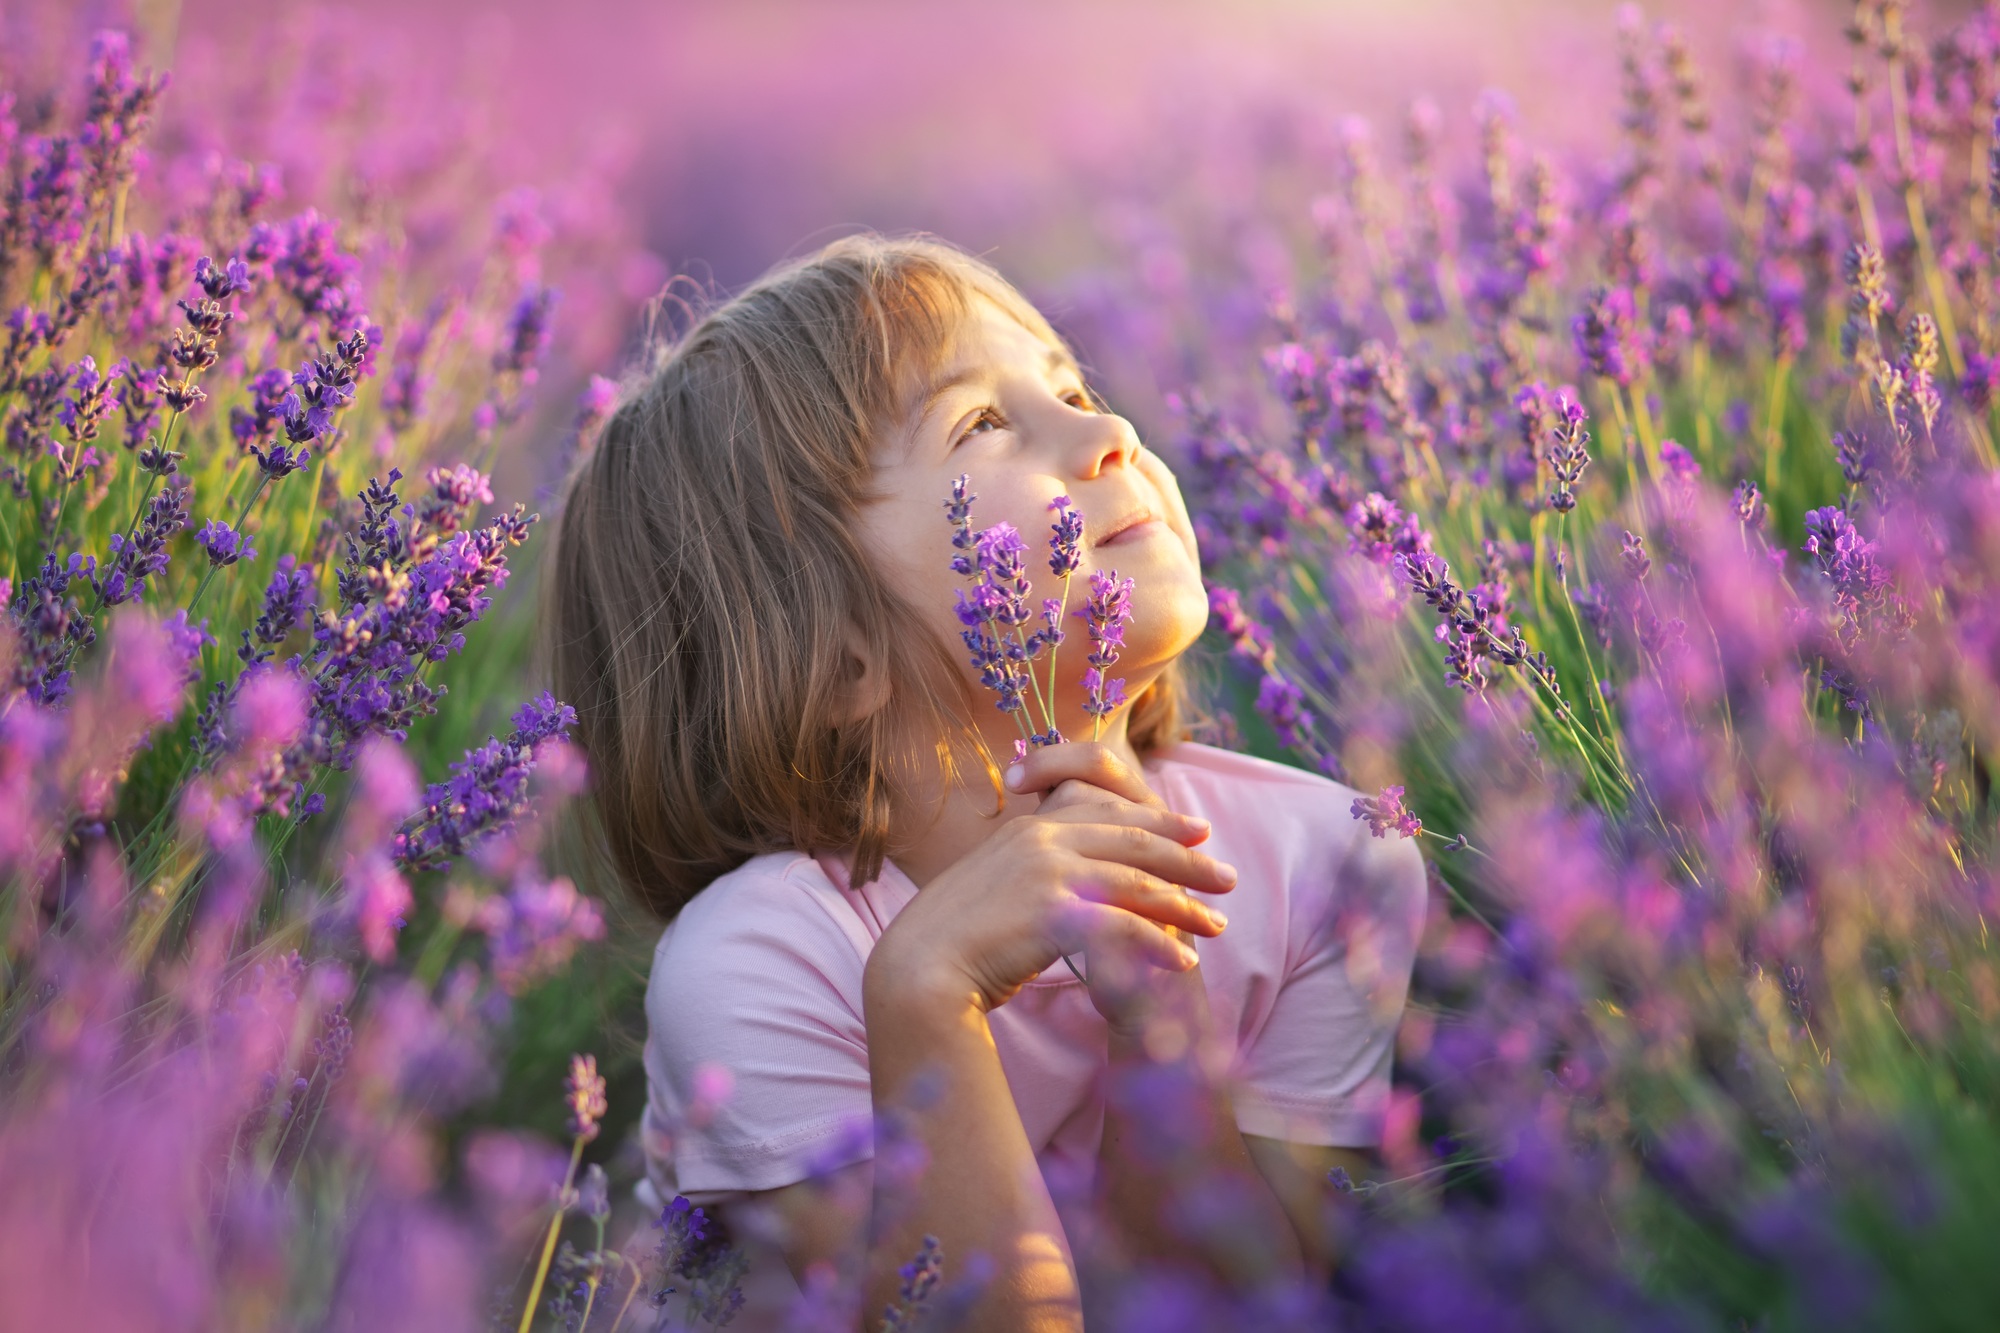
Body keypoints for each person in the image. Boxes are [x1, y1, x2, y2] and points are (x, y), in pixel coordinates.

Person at [544, 234, 1426, 1330]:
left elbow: (1239, 1309)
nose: (1110, 433)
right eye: (982, 424)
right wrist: (923, 996)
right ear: (835, 655)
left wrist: (1157, 1014)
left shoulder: (1333, 862)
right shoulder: (759, 959)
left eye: (1070, 387)